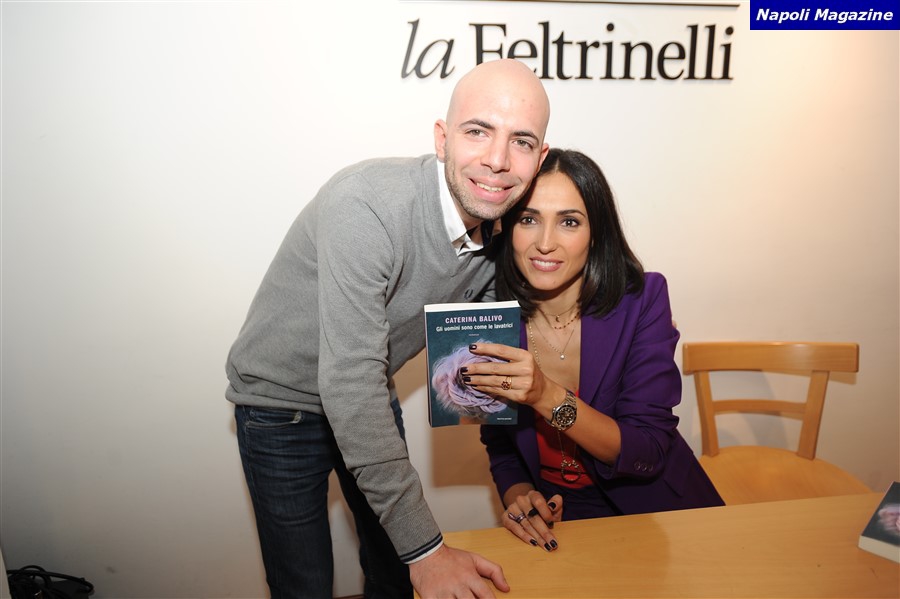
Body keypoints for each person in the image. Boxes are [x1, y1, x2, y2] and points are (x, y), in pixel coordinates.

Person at [225, 58, 550, 599]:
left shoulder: (505, 228)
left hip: (367, 389)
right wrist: (428, 552)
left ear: (539, 158)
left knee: (394, 573)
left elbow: (486, 353)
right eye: (478, 131)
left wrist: (520, 474)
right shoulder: (366, 204)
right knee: (305, 585)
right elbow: (348, 383)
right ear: (442, 139)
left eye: (521, 141)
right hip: (280, 405)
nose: (497, 160)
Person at [463, 148, 724, 551]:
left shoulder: (643, 301)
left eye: (569, 222)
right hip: (555, 519)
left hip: (653, 512)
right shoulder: (490, 318)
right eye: (529, 219)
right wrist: (519, 494)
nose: (545, 243)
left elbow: (649, 449)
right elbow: (500, 440)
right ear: (508, 228)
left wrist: (546, 396)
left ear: (596, 233)